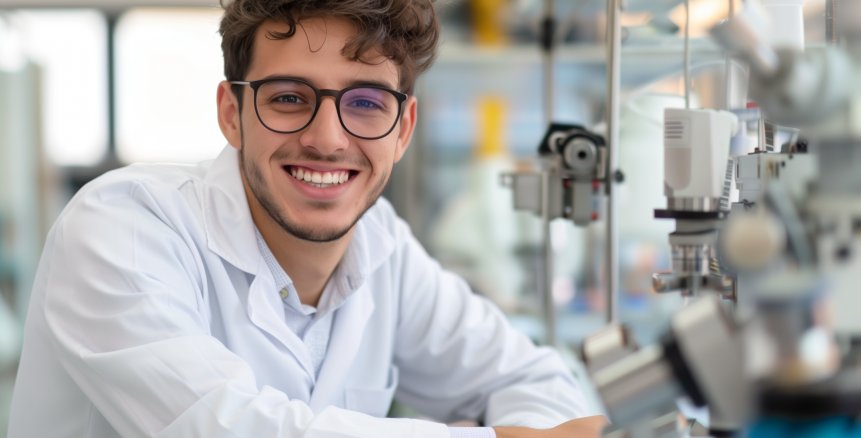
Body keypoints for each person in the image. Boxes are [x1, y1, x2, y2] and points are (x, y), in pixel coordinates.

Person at [7, 1, 607, 437]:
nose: (326, 140)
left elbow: (541, 383)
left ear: (404, 130)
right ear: (232, 113)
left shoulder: (383, 249)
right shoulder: (123, 226)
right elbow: (229, 430)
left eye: (367, 103)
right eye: (289, 97)